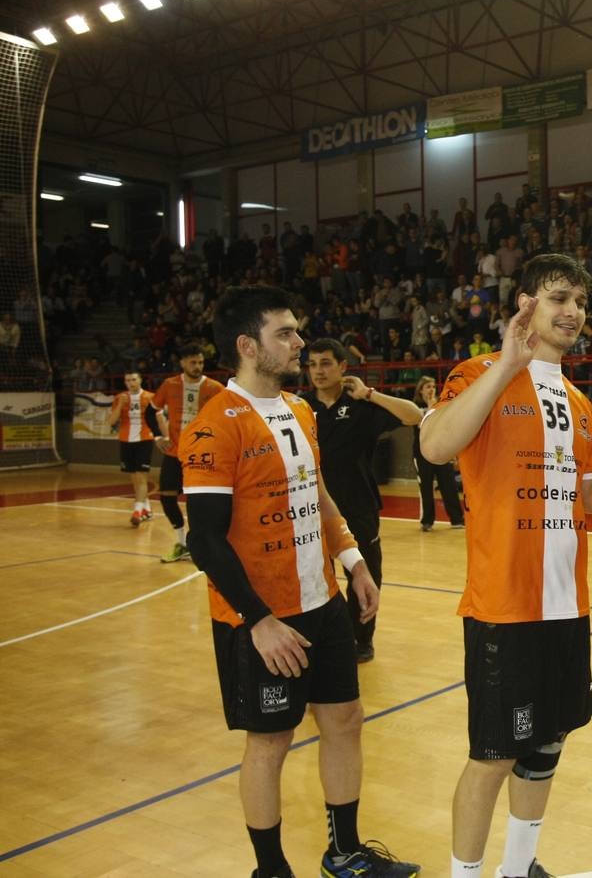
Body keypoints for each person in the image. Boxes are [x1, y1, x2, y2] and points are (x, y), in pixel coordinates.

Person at [183, 285, 419, 878]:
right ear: (246, 345)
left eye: (297, 330)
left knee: (344, 720)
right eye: (285, 333)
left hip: (323, 602)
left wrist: (354, 561)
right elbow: (205, 540)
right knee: (270, 742)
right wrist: (259, 622)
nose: (299, 342)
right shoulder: (215, 426)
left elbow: (316, 495)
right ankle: (271, 870)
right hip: (261, 618)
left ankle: (344, 852)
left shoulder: (301, 409)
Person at [419, 254, 592, 878]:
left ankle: (518, 868)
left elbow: (591, 493)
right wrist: (507, 364)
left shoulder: (576, 399)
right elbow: (435, 446)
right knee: (492, 754)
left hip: (566, 603)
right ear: (525, 305)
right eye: (558, 298)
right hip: (503, 604)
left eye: (580, 302)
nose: (572, 312)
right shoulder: (475, 374)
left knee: (548, 741)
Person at [301, 338, 422, 663]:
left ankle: (362, 638)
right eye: (312, 364)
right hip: (311, 512)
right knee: (315, 579)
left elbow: (414, 416)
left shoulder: (361, 406)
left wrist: (370, 393)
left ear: (343, 367)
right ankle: (330, 637)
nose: (318, 371)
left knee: (364, 575)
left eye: (325, 363)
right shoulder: (298, 407)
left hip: (359, 508)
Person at [152, 343, 226, 562]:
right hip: (174, 453)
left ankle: (200, 545)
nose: (197, 366)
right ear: (183, 362)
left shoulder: (215, 388)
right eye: (193, 362)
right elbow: (152, 410)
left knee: (198, 503)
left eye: (201, 362)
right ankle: (181, 542)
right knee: (166, 498)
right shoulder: (169, 384)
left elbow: (229, 416)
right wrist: (159, 437)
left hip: (201, 455)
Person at [411, 375, 463, 531]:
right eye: (428, 387)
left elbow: (445, 426)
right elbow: (425, 425)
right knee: (425, 487)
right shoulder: (415, 407)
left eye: (433, 386)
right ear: (420, 390)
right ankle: (427, 521)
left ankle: (457, 519)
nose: (431, 389)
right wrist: (429, 404)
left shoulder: (442, 404)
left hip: (441, 450)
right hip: (421, 453)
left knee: (449, 485)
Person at [108, 370, 159, 526]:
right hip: (126, 439)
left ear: (140, 380)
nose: (131, 383)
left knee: (141, 476)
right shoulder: (120, 398)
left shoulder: (150, 398)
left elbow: (158, 419)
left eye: (134, 379)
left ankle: (137, 510)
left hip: (144, 439)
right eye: (128, 380)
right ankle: (147, 509)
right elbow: (111, 421)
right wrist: (121, 405)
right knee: (135, 478)